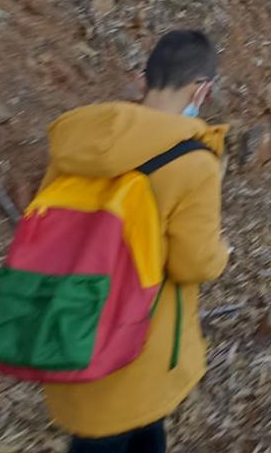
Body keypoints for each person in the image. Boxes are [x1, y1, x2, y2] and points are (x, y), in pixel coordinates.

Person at [43, 30, 230, 453]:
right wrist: (222, 252)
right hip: (137, 346)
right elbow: (193, 263)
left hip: (72, 327)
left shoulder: (79, 144)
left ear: (142, 79)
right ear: (201, 90)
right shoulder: (193, 162)